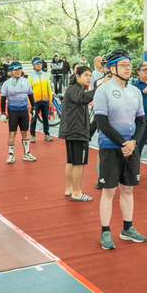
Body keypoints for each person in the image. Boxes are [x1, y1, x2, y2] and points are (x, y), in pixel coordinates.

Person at [93, 49, 147, 251]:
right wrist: (123, 143)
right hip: (110, 148)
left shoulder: (135, 91)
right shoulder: (103, 90)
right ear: (111, 68)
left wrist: (133, 142)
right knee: (109, 191)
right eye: (123, 65)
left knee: (128, 189)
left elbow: (141, 121)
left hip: (131, 148)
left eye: (129, 64)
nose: (128, 68)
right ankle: (105, 231)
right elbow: (101, 122)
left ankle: (127, 228)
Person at [60, 65, 98, 202]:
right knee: (78, 163)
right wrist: (99, 87)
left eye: (90, 75)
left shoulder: (76, 89)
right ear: (77, 76)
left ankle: (69, 188)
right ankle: (76, 193)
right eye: (86, 75)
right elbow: (84, 99)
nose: (89, 78)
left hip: (72, 130)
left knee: (71, 161)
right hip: (77, 131)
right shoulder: (75, 89)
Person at [1, 62, 36, 163]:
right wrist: (3, 112)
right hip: (12, 111)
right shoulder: (6, 83)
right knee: (12, 133)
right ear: (11, 71)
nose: (18, 71)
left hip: (24, 111)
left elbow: (31, 95)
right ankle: (11, 154)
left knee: (25, 132)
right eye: (15, 70)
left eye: (19, 69)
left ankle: (27, 153)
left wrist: (33, 108)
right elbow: (3, 99)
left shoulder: (26, 81)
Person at [29, 57, 54, 142]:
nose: (39, 65)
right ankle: (32, 135)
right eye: (37, 64)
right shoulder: (31, 76)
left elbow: (49, 87)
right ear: (33, 65)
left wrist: (50, 99)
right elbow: (28, 90)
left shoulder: (45, 74)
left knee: (45, 118)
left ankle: (46, 134)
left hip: (45, 100)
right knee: (34, 118)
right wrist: (29, 103)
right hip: (35, 102)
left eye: (40, 64)